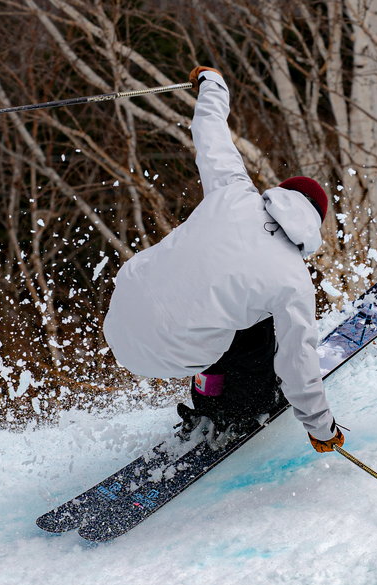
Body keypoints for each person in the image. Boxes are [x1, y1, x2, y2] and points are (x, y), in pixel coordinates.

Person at [103, 66, 345, 454]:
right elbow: (297, 364)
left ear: (277, 194)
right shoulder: (293, 281)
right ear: (314, 224)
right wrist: (321, 428)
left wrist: (214, 83)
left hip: (119, 319)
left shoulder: (234, 190)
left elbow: (210, 132)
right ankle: (239, 409)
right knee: (262, 328)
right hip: (173, 353)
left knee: (225, 305)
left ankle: (208, 399)